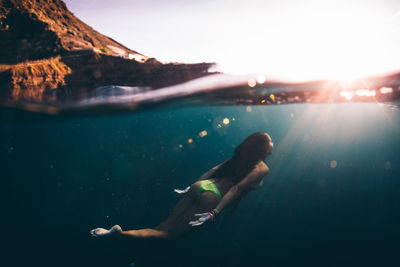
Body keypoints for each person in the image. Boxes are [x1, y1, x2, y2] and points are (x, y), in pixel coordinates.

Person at [90, 132, 273, 240]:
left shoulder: (241, 155)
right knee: (168, 236)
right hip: (213, 199)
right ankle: (119, 234)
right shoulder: (262, 168)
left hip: (203, 185)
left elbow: (216, 168)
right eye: (270, 142)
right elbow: (237, 189)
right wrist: (213, 213)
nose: (273, 144)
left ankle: (136, 260)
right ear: (263, 149)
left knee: (162, 227)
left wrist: (191, 186)